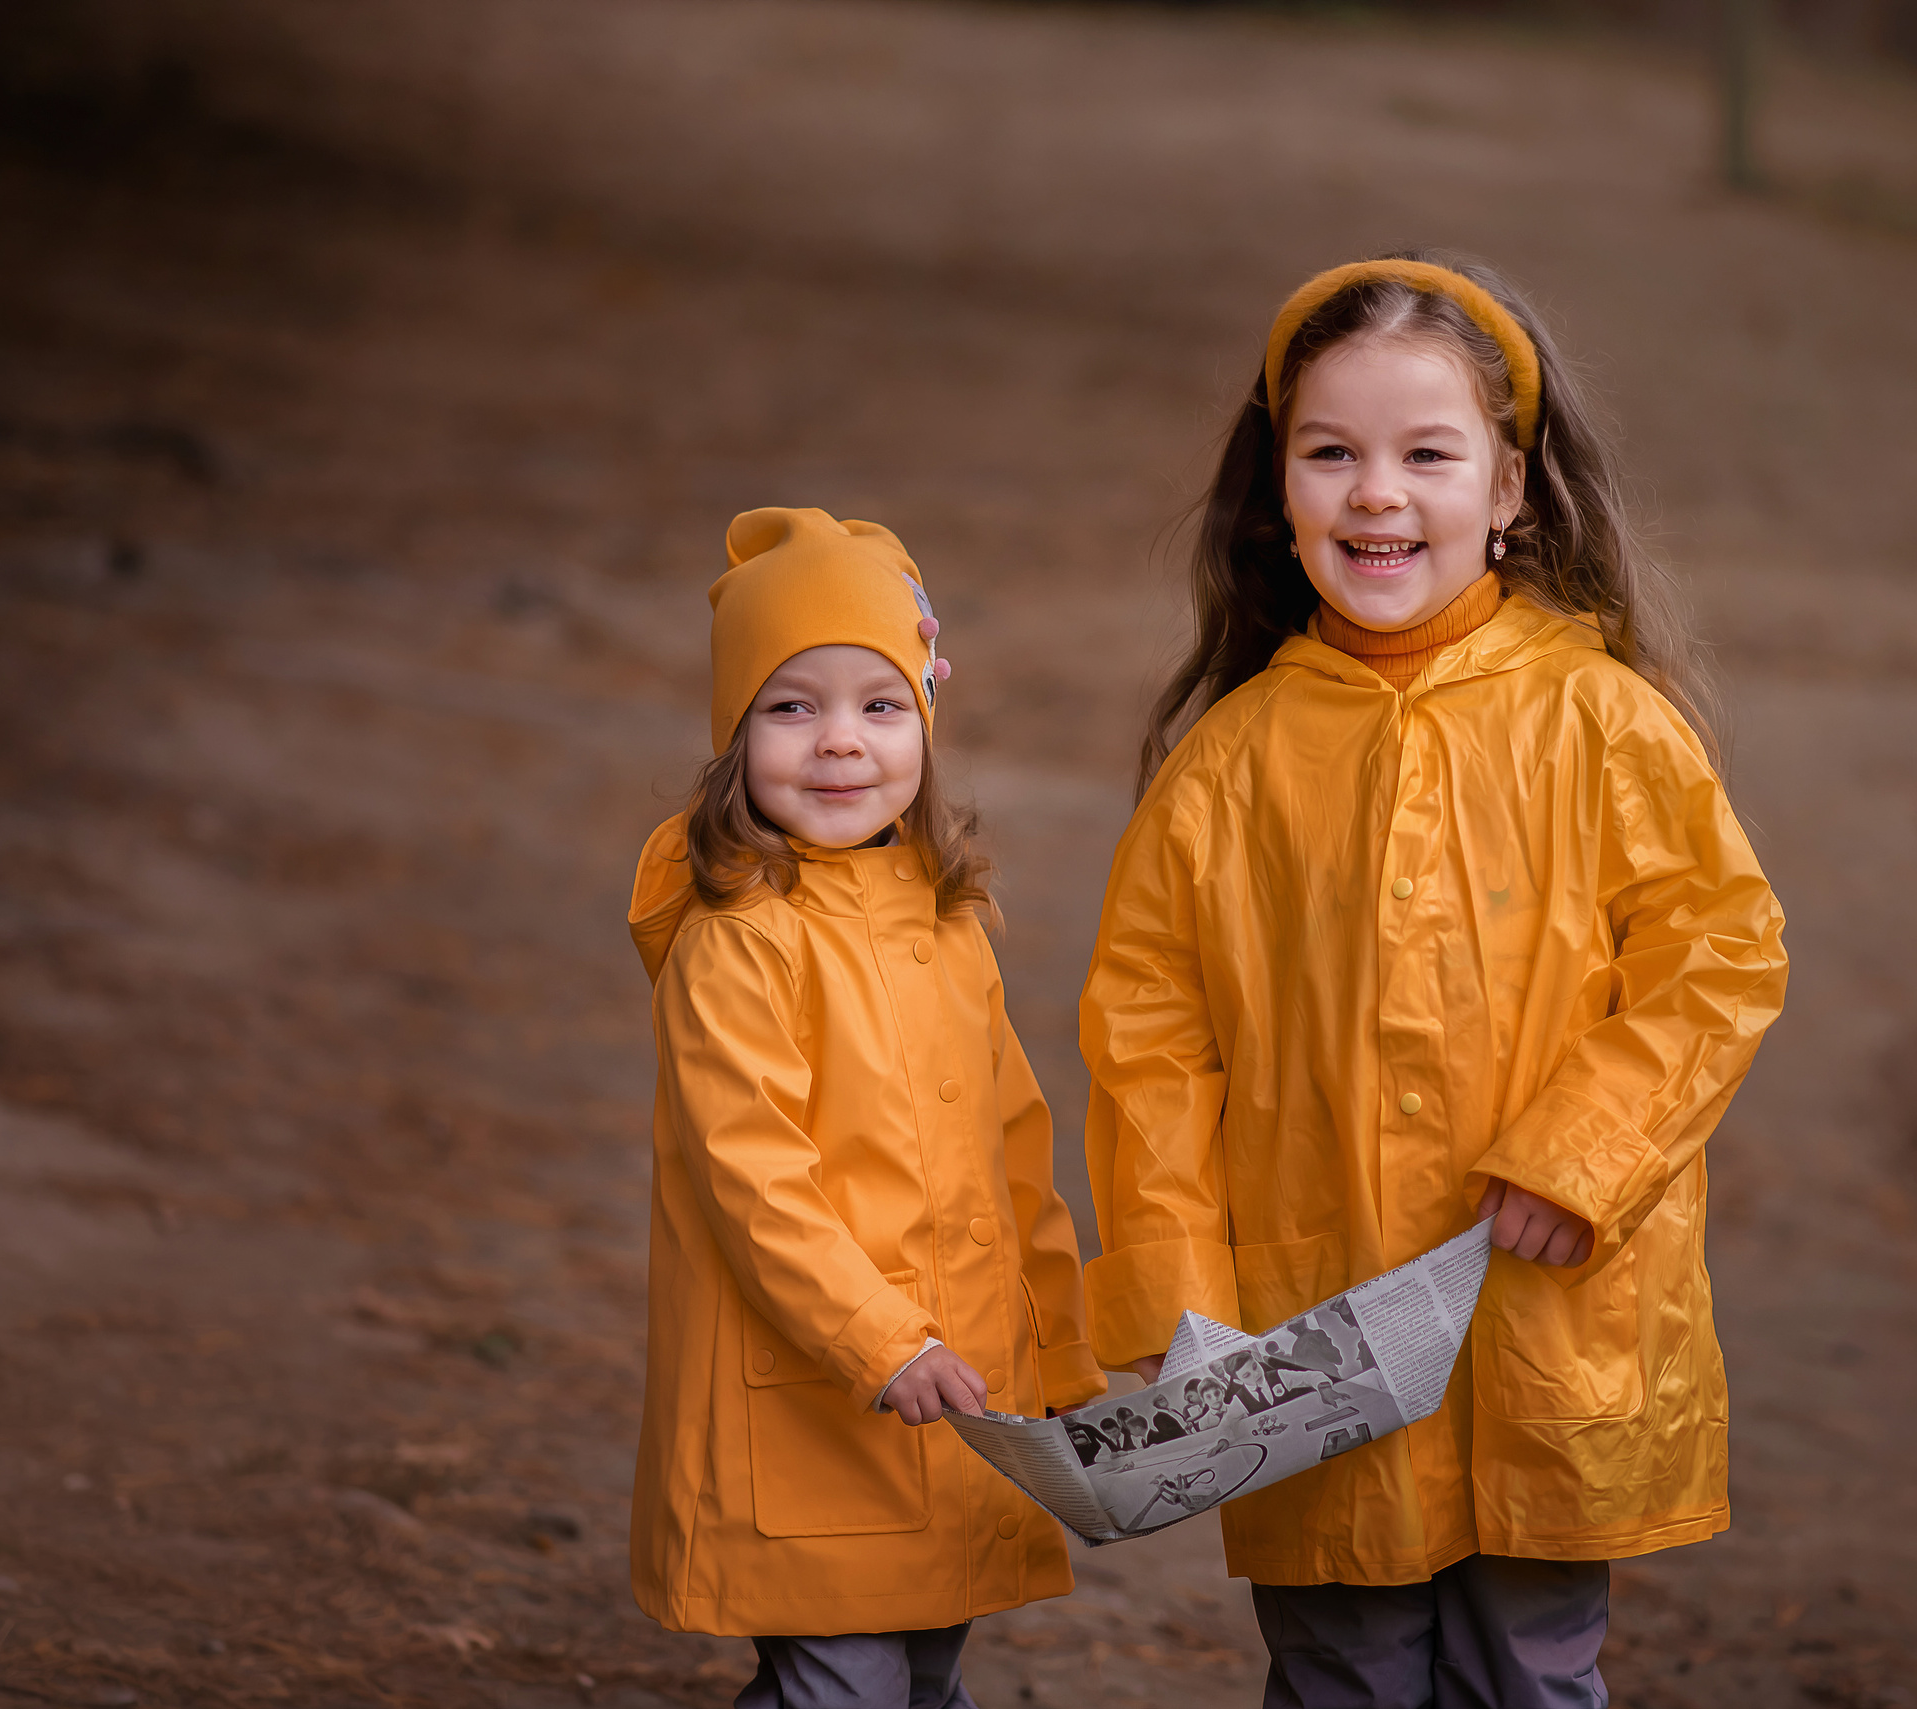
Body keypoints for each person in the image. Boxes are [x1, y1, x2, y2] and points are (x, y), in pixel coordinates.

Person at [1080, 253, 1790, 1709]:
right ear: (1278, 489)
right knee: (1343, 1671)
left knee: (1530, 1671)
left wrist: (1585, 1150)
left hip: (1547, 1308)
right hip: (1313, 1332)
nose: (1377, 493)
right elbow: (1150, 1040)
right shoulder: (1228, 767)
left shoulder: (1602, 721)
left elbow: (1716, 955)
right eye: (1331, 453)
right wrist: (1181, 1294)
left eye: (1426, 454)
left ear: (1511, 490)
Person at [626, 508, 1104, 1709]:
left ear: (926, 728)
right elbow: (753, 1178)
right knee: (841, 1684)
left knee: (925, 1675)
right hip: (821, 1396)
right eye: (792, 707)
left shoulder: (949, 921)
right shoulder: (738, 944)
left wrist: (1053, 1342)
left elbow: (1015, 1153)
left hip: (958, 1401)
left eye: (880, 705)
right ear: (734, 739)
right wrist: (881, 1340)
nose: (840, 742)